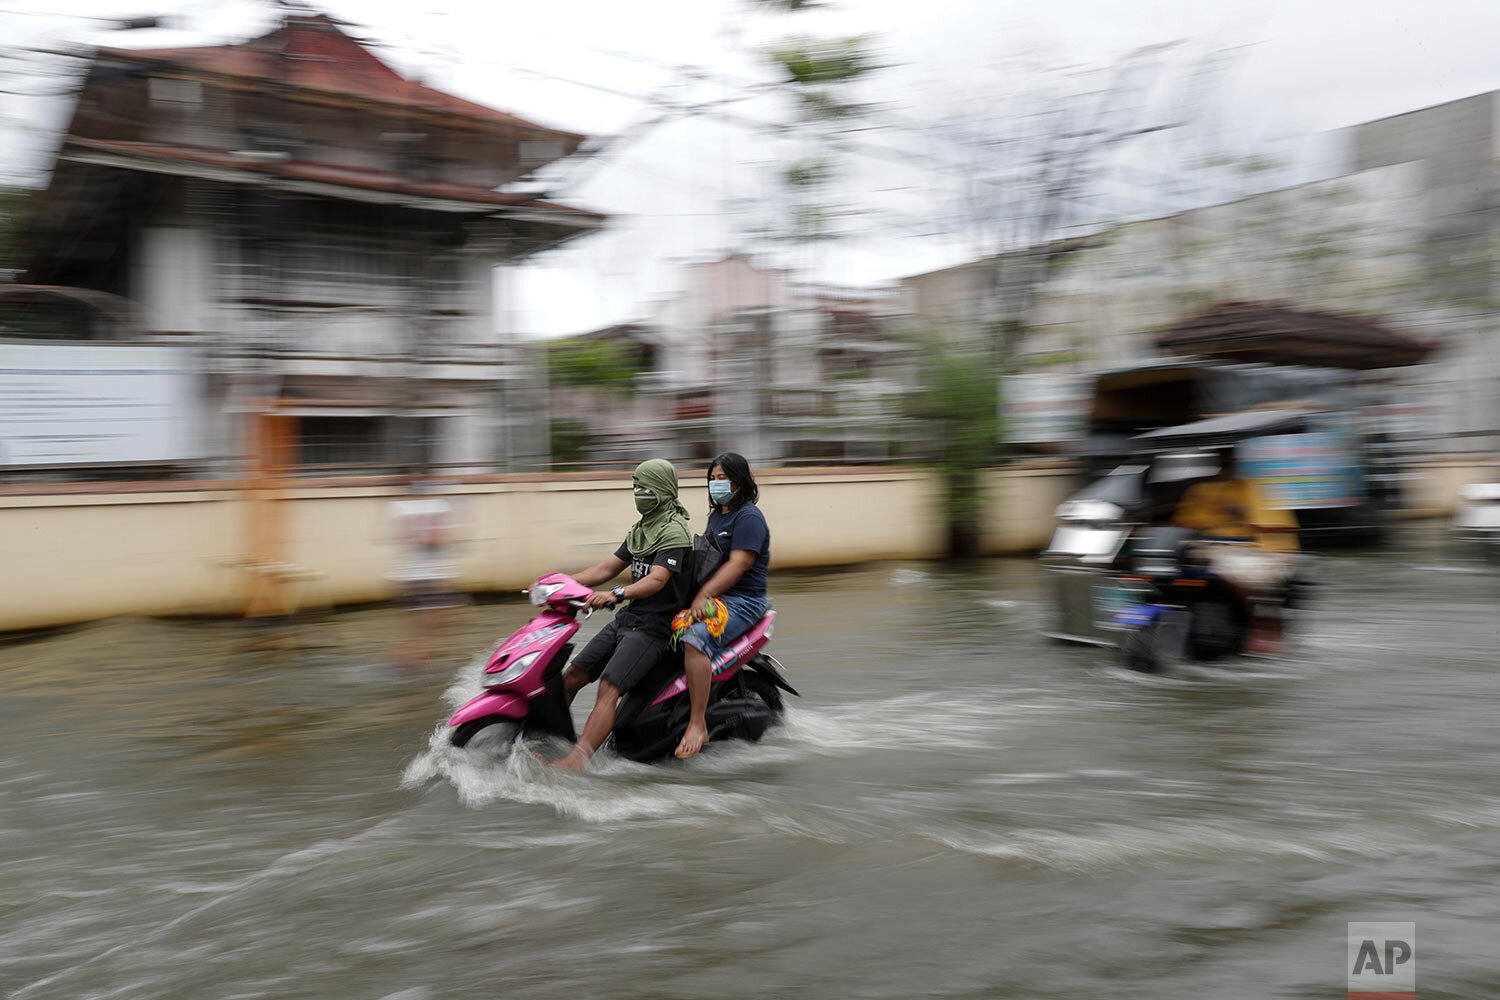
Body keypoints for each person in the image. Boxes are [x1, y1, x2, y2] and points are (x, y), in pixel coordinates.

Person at [547, 459, 694, 770]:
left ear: (661, 489)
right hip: (628, 619)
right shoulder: (642, 529)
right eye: (635, 486)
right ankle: (548, 737)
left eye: (643, 486)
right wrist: (561, 583)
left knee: (608, 688)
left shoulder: (674, 532)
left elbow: (657, 580)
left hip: (655, 628)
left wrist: (615, 594)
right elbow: (607, 568)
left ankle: (578, 759)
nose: (637, 492)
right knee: (571, 677)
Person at [674, 453, 772, 759]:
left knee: (695, 640)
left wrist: (703, 595)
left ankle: (697, 723)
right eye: (712, 479)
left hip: (744, 601)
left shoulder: (749, 518)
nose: (717, 485)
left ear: (740, 481)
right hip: (717, 597)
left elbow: (738, 564)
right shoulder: (717, 515)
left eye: (723, 479)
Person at [1173, 447, 1299, 651]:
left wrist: (1242, 516)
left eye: (1230, 463)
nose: (1225, 469)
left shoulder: (1260, 489)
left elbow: (1273, 527)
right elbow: (1183, 522)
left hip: (1262, 551)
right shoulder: (1201, 491)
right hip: (1214, 550)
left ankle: (1266, 630)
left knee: (1239, 569)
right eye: (1222, 463)